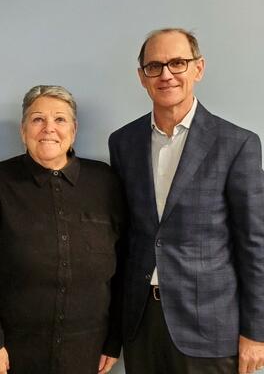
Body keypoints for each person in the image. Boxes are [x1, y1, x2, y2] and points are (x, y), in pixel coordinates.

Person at [108, 28, 264, 374]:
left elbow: (254, 244)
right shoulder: (123, 142)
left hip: (209, 327)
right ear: (142, 77)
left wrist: (256, 332)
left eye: (177, 63)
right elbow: (126, 236)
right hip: (141, 323)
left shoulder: (237, 144)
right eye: (154, 66)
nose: (166, 74)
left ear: (198, 68)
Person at [0, 85, 124, 374]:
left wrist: (113, 340)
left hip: (86, 349)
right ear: (23, 130)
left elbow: (122, 262)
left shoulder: (105, 181)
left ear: (73, 130)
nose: (49, 128)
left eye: (60, 119)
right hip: (13, 351)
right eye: (37, 119)